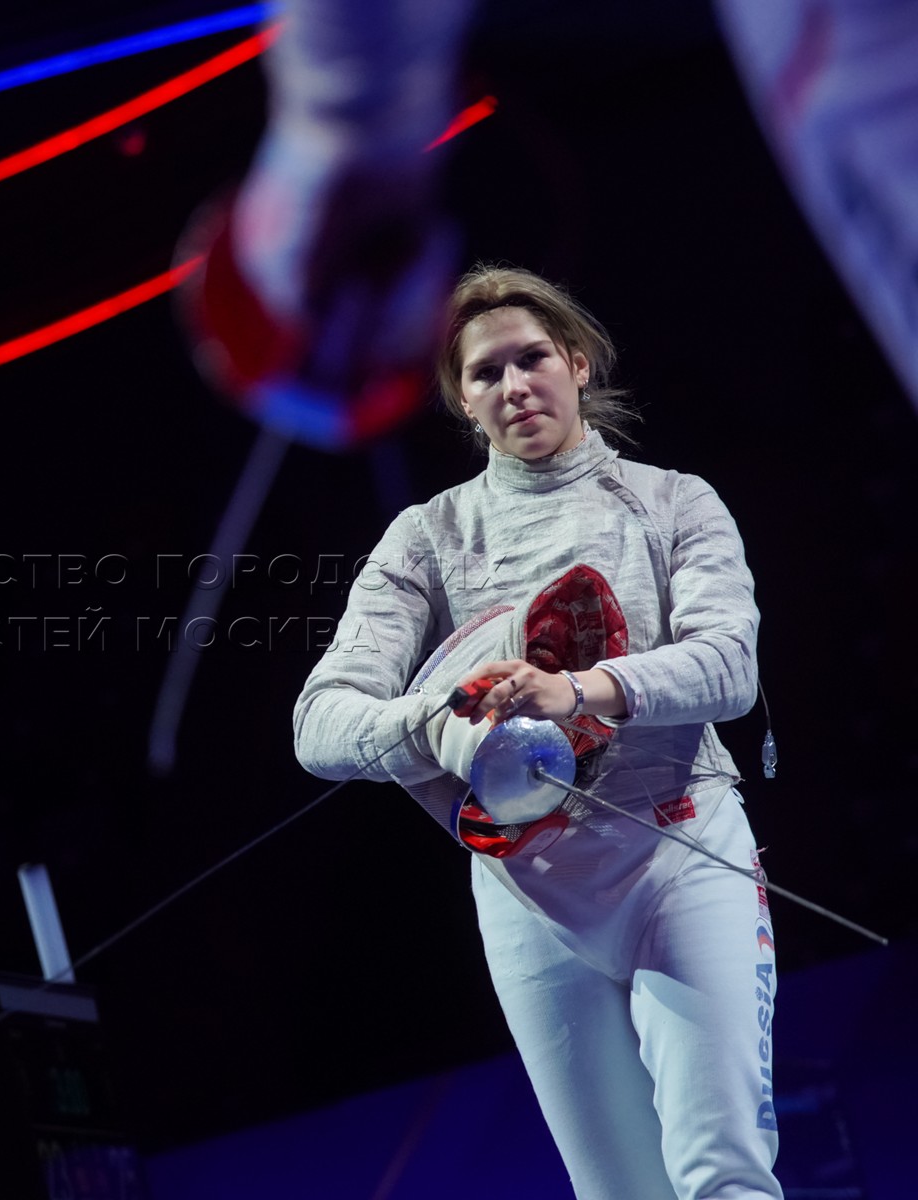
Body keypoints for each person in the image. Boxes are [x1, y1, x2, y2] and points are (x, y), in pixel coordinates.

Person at [292, 265, 781, 1200]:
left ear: (578, 364)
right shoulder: (426, 538)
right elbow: (320, 722)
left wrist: (577, 690)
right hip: (531, 896)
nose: (514, 385)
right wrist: (442, 724)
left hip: (680, 852)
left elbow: (729, 666)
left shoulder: (674, 501)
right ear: (462, 399)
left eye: (533, 359)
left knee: (721, 1172)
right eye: (486, 373)